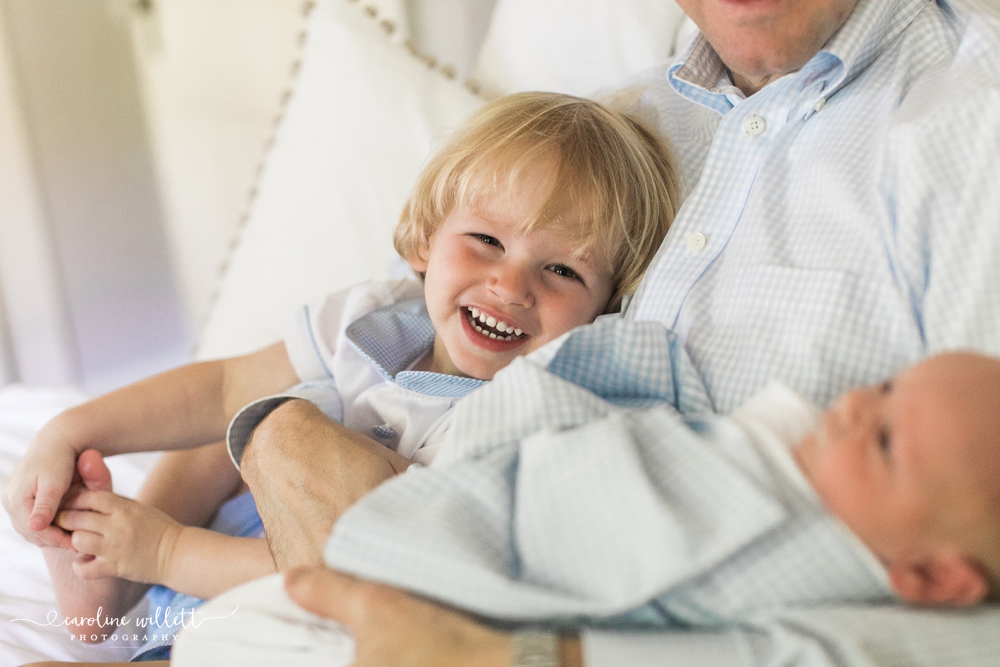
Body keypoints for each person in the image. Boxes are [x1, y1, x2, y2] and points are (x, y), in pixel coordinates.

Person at [166, 0, 1000, 665]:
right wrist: (283, 430)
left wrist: (529, 654)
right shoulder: (617, 127)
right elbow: (403, 322)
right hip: (408, 537)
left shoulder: (975, 123)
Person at [3, 91, 681, 664]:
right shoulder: (374, 321)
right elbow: (220, 388)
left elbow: (348, 561)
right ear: (424, 239)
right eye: (487, 242)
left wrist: (166, 550)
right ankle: (103, 586)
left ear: (603, 310)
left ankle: (128, 572)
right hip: (199, 547)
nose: (510, 285)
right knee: (248, 411)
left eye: (561, 270)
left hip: (275, 605)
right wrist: (75, 429)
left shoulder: (514, 418)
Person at [170, 346, 1000, 666]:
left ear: (933, 573)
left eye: (887, 440)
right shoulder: (777, 443)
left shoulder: (832, 576)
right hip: (408, 520)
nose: (853, 405)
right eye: (883, 385)